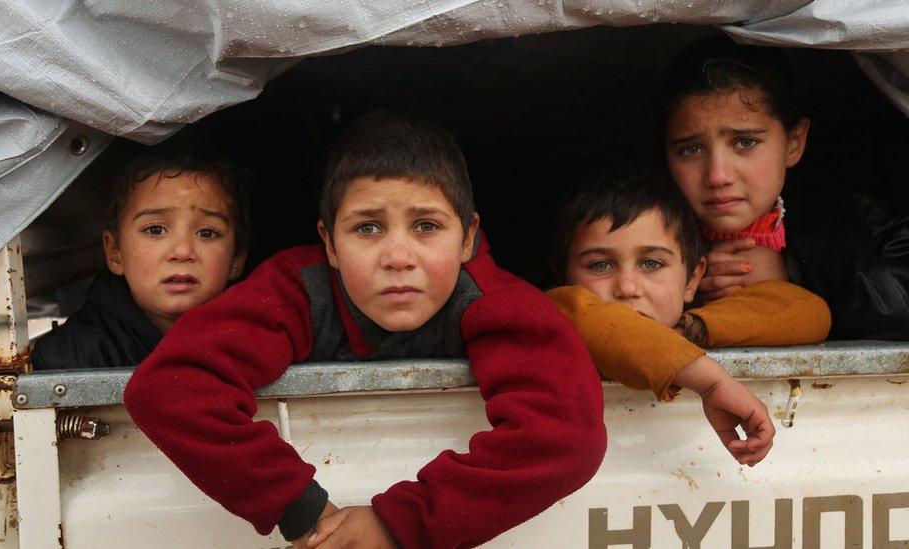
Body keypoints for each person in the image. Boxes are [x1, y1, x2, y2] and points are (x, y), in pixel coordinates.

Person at [123, 111, 607, 549]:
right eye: (367, 228)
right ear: (329, 243)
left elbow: (566, 436)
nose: (398, 257)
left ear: (469, 237)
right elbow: (171, 386)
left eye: (426, 226)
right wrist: (304, 511)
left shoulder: (494, 301)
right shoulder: (296, 288)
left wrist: (398, 526)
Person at [547, 167, 830, 465]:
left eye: (652, 263)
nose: (627, 288)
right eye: (600, 265)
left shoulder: (689, 327)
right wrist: (712, 383)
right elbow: (593, 321)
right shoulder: (555, 309)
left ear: (693, 279)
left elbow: (804, 308)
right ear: (562, 276)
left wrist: (690, 331)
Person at [661, 34, 909, 339]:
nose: (717, 176)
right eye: (690, 150)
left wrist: (792, 274)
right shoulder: (642, 223)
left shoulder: (849, 215)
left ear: (794, 143)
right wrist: (678, 285)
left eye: (745, 142)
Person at [30, 147, 250, 370]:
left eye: (207, 233)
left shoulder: (260, 343)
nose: (182, 252)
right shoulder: (71, 358)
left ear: (236, 259)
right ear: (115, 252)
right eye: (155, 230)